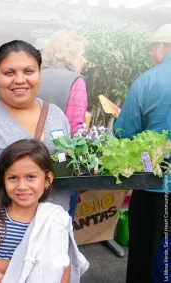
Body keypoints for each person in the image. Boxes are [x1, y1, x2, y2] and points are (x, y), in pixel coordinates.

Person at [0, 40, 71, 282]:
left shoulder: (57, 116)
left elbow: (65, 171)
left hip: (50, 238)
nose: (20, 80)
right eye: (9, 72)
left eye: (28, 71)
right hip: (2, 242)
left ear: (40, 73)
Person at [0, 139, 88, 283]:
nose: (22, 186)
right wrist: (33, 267)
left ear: (48, 179)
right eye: (12, 178)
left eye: (31, 177)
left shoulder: (55, 220)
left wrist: (8, 277)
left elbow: (62, 270)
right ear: (3, 180)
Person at [114, 24, 171, 283]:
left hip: (154, 186)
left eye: (152, 50)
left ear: (161, 47)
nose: (151, 56)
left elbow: (124, 133)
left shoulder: (148, 81)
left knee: (145, 256)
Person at [38, 30, 89, 219]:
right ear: (72, 55)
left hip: (32, 157)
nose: (84, 61)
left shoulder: (37, 76)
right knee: (60, 220)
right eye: (82, 55)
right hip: (60, 164)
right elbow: (75, 129)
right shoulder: (75, 81)